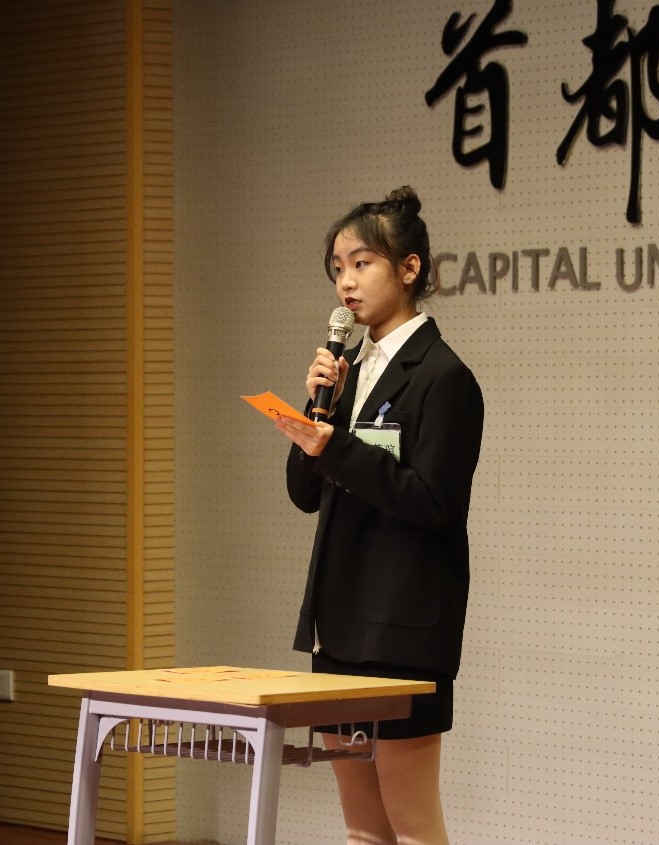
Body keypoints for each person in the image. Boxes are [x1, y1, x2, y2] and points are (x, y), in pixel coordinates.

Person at [274, 186, 484, 845]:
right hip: (340, 625)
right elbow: (305, 493)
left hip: (403, 630)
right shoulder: (346, 374)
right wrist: (318, 411)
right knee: (363, 828)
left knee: (412, 824)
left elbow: (432, 502)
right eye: (338, 267)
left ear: (409, 268)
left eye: (362, 264)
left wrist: (337, 447)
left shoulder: (443, 377)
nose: (346, 282)